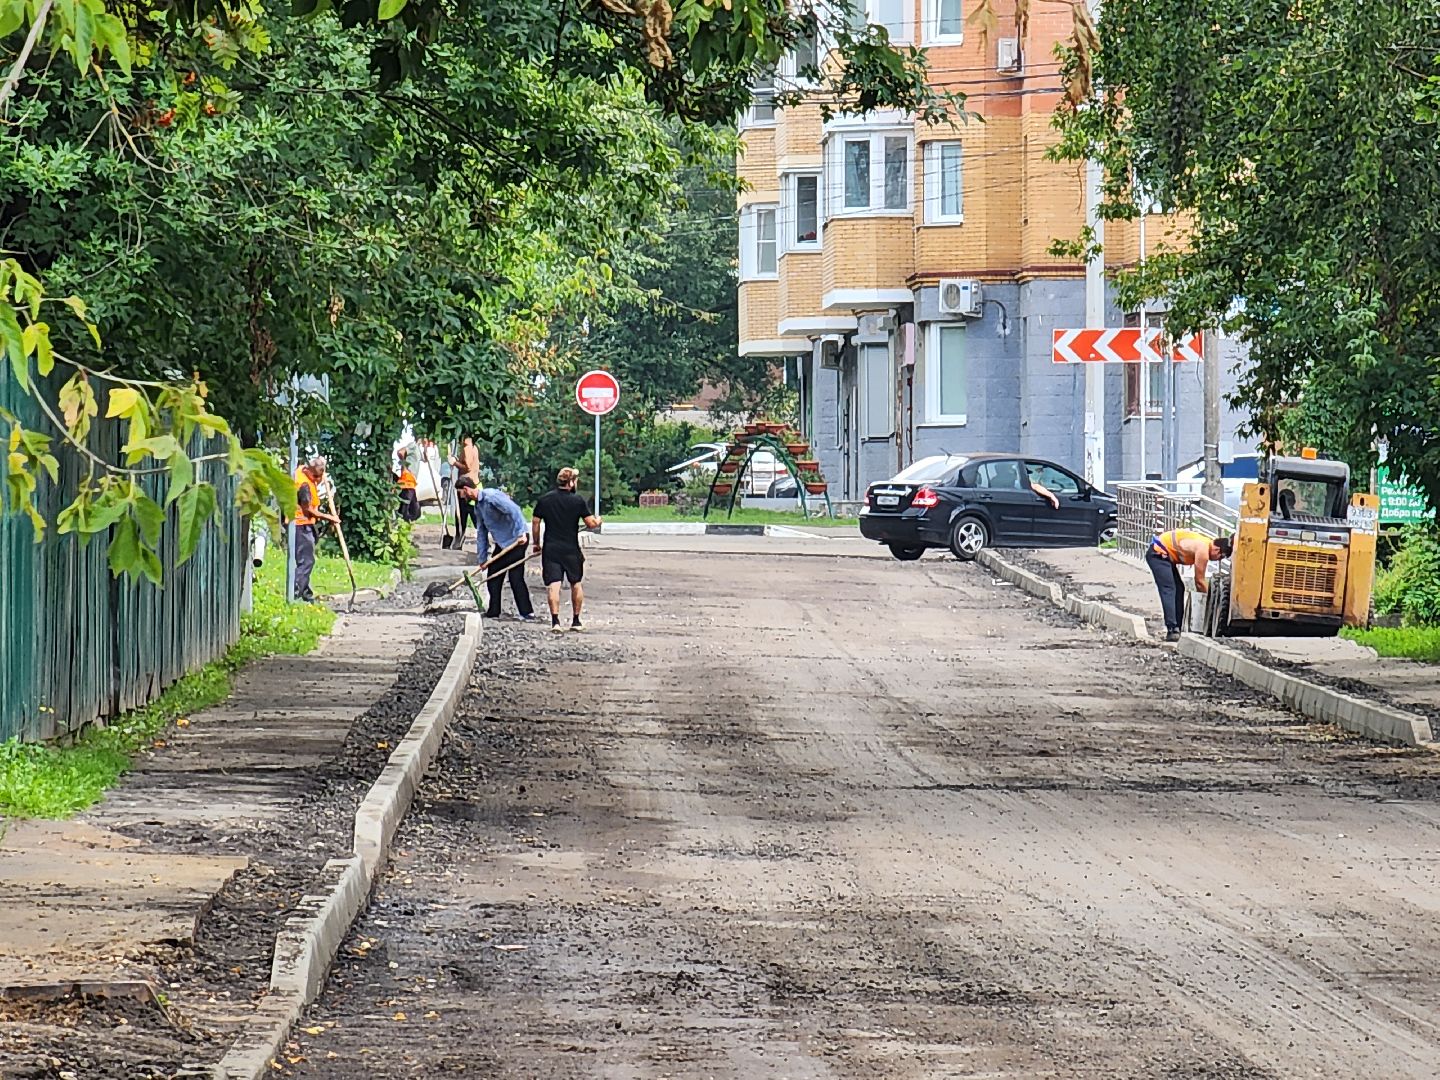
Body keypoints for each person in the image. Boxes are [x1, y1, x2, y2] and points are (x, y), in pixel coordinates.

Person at [532, 466, 602, 632]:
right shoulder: (577, 501)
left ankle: (555, 622)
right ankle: (576, 621)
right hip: (571, 549)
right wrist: (598, 521)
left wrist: (536, 543)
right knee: (575, 583)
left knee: (553, 585)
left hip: (551, 548)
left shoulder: (545, 500)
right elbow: (590, 524)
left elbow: (535, 522)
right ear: (571, 482)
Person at [459, 479, 535, 621]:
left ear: (466, 489)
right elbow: (481, 532)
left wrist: (521, 533)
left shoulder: (491, 497)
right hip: (502, 542)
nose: (461, 497)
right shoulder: (478, 507)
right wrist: (482, 560)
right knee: (493, 575)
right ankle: (494, 611)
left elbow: (515, 511)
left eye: (461, 493)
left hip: (517, 539)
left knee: (515, 577)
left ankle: (527, 612)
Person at [1147, 529, 1232, 642]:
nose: (1217, 561)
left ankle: (1178, 626)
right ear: (1217, 550)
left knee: (1179, 588)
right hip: (1158, 553)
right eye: (1220, 557)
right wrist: (1209, 600)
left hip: (1166, 555)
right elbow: (1199, 581)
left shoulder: (1205, 543)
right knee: (1169, 589)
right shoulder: (1203, 550)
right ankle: (1172, 629)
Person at [292, 455, 339, 603]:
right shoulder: (304, 484)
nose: (319, 479)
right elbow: (308, 510)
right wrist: (330, 518)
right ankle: (297, 593)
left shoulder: (303, 471)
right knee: (306, 561)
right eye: (318, 475)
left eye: (321, 475)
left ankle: (305, 592)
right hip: (301, 524)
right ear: (310, 471)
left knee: (307, 560)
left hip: (304, 524)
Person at [452, 437, 479, 548]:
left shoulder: (467, 448)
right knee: (474, 514)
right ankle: (483, 541)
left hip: (465, 486)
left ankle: (459, 540)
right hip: (473, 484)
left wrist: (455, 463)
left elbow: (467, 466)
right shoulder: (474, 447)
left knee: (462, 515)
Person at [395, 448, 421, 522]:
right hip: (406, 482)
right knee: (405, 511)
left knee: (416, 512)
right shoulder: (413, 445)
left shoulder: (418, 449)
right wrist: (404, 466)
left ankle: (402, 522)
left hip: (411, 483)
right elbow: (400, 452)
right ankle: (400, 525)